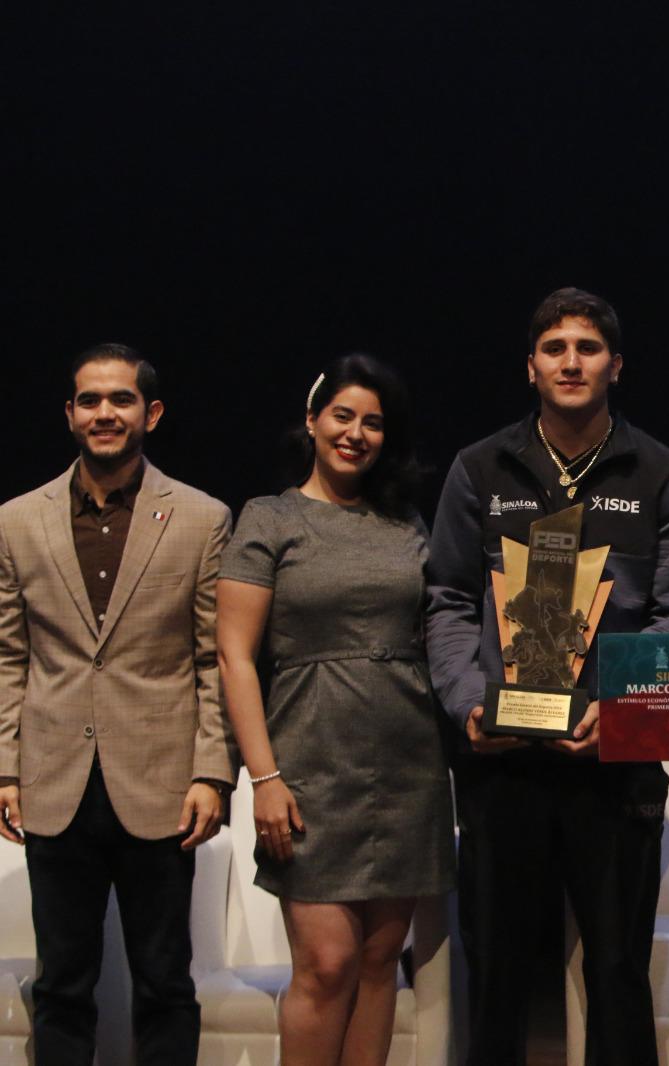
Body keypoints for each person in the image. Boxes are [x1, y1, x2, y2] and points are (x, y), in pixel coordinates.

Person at [425, 286, 669, 1065]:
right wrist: (467, 703)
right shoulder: (480, 468)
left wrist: (617, 707)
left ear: (616, 365)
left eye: (588, 348)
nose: (571, 362)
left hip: (613, 761)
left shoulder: (664, 474)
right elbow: (446, 600)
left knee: (617, 974)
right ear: (531, 367)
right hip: (500, 760)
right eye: (555, 349)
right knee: (497, 975)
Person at [216, 354, 455, 1065]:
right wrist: (264, 778)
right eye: (342, 416)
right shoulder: (269, 518)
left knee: (379, 965)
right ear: (312, 420)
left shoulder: (406, 522)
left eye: (373, 423)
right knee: (326, 965)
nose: (355, 433)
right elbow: (234, 657)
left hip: (407, 766)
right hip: (310, 766)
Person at [0, 343, 231, 1065]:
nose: (105, 412)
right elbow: (9, 656)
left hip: (161, 781)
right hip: (53, 778)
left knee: (164, 982)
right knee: (62, 984)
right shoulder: (17, 520)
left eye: (121, 399)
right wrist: (5, 768)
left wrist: (211, 771)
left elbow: (213, 660)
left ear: (150, 414)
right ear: (70, 414)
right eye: (90, 400)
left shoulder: (201, 518)